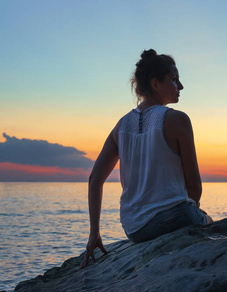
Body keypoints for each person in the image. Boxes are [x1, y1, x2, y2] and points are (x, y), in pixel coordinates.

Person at [81, 49, 212, 268]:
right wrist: (195, 211)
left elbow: (95, 178)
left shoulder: (121, 126)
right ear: (155, 84)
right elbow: (194, 185)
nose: (180, 86)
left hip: (134, 229)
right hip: (173, 219)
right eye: (174, 80)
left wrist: (94, 233)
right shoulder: (177, 119)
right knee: (209, 220)